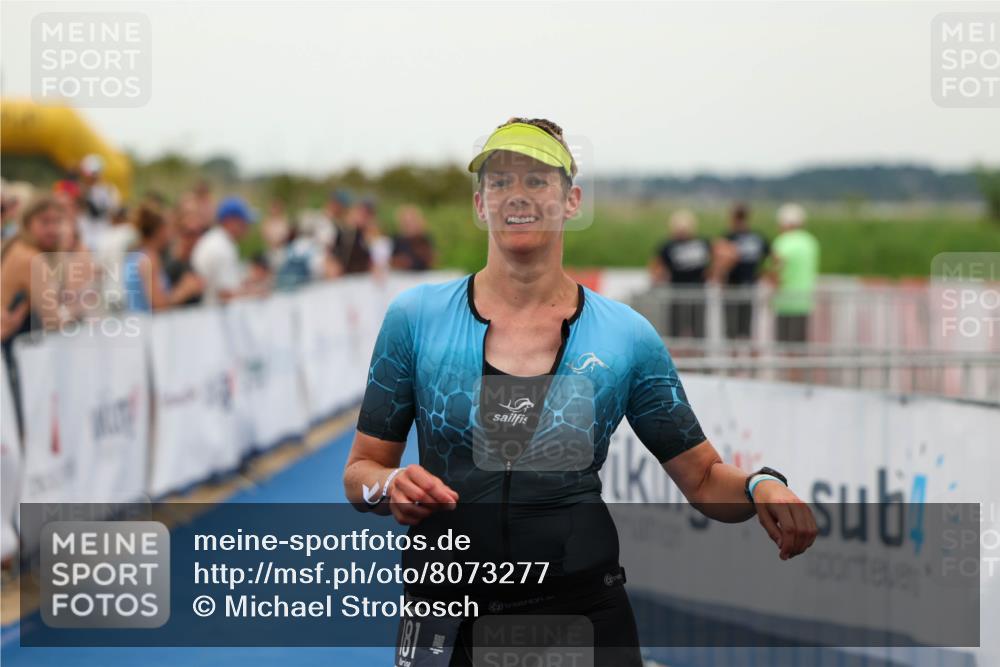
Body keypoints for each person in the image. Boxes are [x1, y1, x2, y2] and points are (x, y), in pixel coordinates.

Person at [343, 118, 817, 667]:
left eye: (538, 179)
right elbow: (361, 473)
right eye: (499, 181)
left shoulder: (624, 335)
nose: (517, 194)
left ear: (571, 200)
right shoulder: (415, 319)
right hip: (444, 620)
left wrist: (761, 485)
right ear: (480, 204)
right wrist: (391, 484)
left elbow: (705, 478)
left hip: (580, 615)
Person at [122, 206, 204, 312]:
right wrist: (184, 291)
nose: (171, 234)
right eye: (168, 228)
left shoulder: (135, 255)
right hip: (148, 325)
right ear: (160, 231)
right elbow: (159, 306)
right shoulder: (149, 259)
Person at [191, 196, 264, 305]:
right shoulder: (220, 246)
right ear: (230, 221)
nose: (247, 227)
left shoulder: (218, 240)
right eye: (243, 222)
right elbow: (226, 295)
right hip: (210, 315)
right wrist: (257, 294)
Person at [650, 209, 712, 339]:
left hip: (697, 293)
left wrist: (714, 273)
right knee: (676, 329)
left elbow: (723, 252)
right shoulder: (668, 246)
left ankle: (697, 354)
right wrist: (658, 278)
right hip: (676, 294)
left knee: (698, 329)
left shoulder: (702, 243)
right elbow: (656, 266)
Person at [719, 203, 770, 340]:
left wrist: (721, 278)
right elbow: (774, 258)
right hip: (750, 285)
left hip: (732, 287)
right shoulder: (757, 237)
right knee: (747, 326)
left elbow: (722, 263)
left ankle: (734, 357)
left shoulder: (729, 237)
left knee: (731, 328)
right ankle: (746, 357)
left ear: (733, 218)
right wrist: (762, 273)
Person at [770, 203, 819, 344]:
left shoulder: (783, 241)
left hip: (785, 301)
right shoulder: (810, 241)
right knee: (799, 346)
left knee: (785, 347)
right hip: (804, 300)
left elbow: (776, 268)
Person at [390, 204, 436, 271]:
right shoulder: (396, 238)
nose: (410, 224)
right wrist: (400, 261)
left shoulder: (424, 238)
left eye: (412, 221)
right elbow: (389, 260)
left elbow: (433, 259)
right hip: (402, 276)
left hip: (424, 274)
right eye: (406, 222)